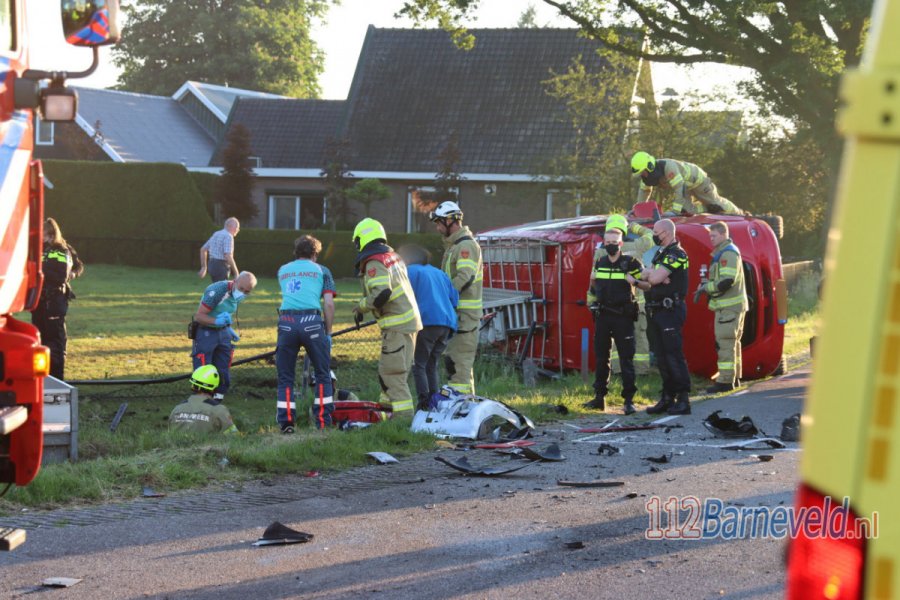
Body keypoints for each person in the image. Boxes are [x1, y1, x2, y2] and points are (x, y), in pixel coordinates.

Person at [351, 218, 422, 415]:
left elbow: (382, 293)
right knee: (395, 373)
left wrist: (361, 306)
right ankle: (385, 412)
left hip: (397, 326)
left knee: (392, 375)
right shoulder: (393, 257)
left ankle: (403, 420)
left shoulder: (375, 261)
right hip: (409, 323)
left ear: (362, 239)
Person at [276, 235, 336, 433]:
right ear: (315, 254)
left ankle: (286, 423)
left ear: (296, 251)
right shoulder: (322, 271)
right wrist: (328, 331)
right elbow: (328, 303)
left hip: (286, 323)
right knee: (322, 374)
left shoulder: (283, 270)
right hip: (311, 322)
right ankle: (321, 422)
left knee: (285, 376)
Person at [585, 215, 644, 415]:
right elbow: (593, 284)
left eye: (614, 242)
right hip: (603, 316)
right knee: (602, 358)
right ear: (604, 243)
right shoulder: (600, 262)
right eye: (608, 242)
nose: (611, 245)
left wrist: (634, 282)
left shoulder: (631, 262)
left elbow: (647, 284)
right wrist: (592, 301)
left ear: (621, 243)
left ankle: (628, 400)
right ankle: (599, 397)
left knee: (626, 359)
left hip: (623, 316)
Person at [430, 201, 483, 395]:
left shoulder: (466, 246)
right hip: (457, 314)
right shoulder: (455, 246)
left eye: (439, 222)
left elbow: (465, 277)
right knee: (457, 364)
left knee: (459, 364)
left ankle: (461, 406)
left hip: (465, 316)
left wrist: (443, 297)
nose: (437, 227)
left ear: (451, 220)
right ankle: (466, 404)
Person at [398, 244, 459, 412]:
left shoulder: (410, 272)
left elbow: (401, 298)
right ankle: (435, 402)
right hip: (446, 324)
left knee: (420, 364)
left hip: (427, 322)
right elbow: (454, 299)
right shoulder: (440, 273)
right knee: (432, 364)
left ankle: (424, 404)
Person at [641, 218, 692, 415]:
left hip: (670, 310)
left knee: (673, 354)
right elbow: (647, 278)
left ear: (667, 233)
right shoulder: (661, 254)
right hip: (656, 310)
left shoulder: (677, 254)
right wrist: (653, 275)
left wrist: (653, 275)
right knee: (661, 356)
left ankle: (683, 398)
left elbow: (652, 278)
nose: (654, 235)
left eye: (656, 232)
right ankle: (668, 397)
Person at [695, 221, 749, 393]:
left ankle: (725, 381)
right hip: (732, 306)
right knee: (733, 343)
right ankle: (735, 378)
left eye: (714, 235)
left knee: (725, 343)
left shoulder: (728, 254)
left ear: (724, 234)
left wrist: (706, 288)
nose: (711, 239)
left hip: (729, 308)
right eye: (710, 235)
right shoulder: (726, 252)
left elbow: (726, 281)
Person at [192, 271, 257, 401]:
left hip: (223, 331)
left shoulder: (238, 296)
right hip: (206, 332)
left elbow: (225, 311)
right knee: (205, 365)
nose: (243, 293)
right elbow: (199, 316)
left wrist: (227, 328)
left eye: (247, 291)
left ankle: (218, 397)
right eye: (241, 289)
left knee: (223, 364)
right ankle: (202, 397)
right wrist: (216, 321)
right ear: (235, 281)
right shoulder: (217, 291)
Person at [33, 218, 84, 380]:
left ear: (50, 233)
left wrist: (71, 275)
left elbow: (73, 268)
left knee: (55, 342)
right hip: (39, 302)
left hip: (54, 301)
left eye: (42, 233)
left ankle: (57, 379)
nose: (39, 236)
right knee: (39, 340)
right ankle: (43, 377)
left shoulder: (61, 249)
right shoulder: (38, 248)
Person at [631, 152, 743, 217]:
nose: (642, 175)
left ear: (650, 166)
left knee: (715, 203)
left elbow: (679, 188)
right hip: (686, 186)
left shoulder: (669, 167)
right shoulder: (648, 177)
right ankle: (708, 208)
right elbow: (644, 191)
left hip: (699, 181)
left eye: (643, 172)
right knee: (687, 211)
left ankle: (738, 213)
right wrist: (638, 209)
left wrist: (675, 211)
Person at [611, 220, 656, 376]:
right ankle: (642, 370)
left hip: (616, 304)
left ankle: (617, 370)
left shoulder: (604, 252)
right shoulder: (638, 246)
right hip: (638, 304)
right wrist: (635, 226)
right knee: (640, 336)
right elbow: (651, 235)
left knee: (617, 338)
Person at [169, 365, 239, 434]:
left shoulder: (177, 409)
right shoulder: (219, 410)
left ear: (193, 385)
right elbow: (234, 437)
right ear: (215, 388)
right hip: (209, 445)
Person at [198, 217, 240, 282]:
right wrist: (236, 272)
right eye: (237, 227)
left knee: (216, 287)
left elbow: (203, 249)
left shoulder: (216, 234)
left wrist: (204, 267)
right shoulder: (228, 236)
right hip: (221, 266)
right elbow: (228, 255)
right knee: (221, 289)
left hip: (211, 265)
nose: (238, 230)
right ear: (231, 226)